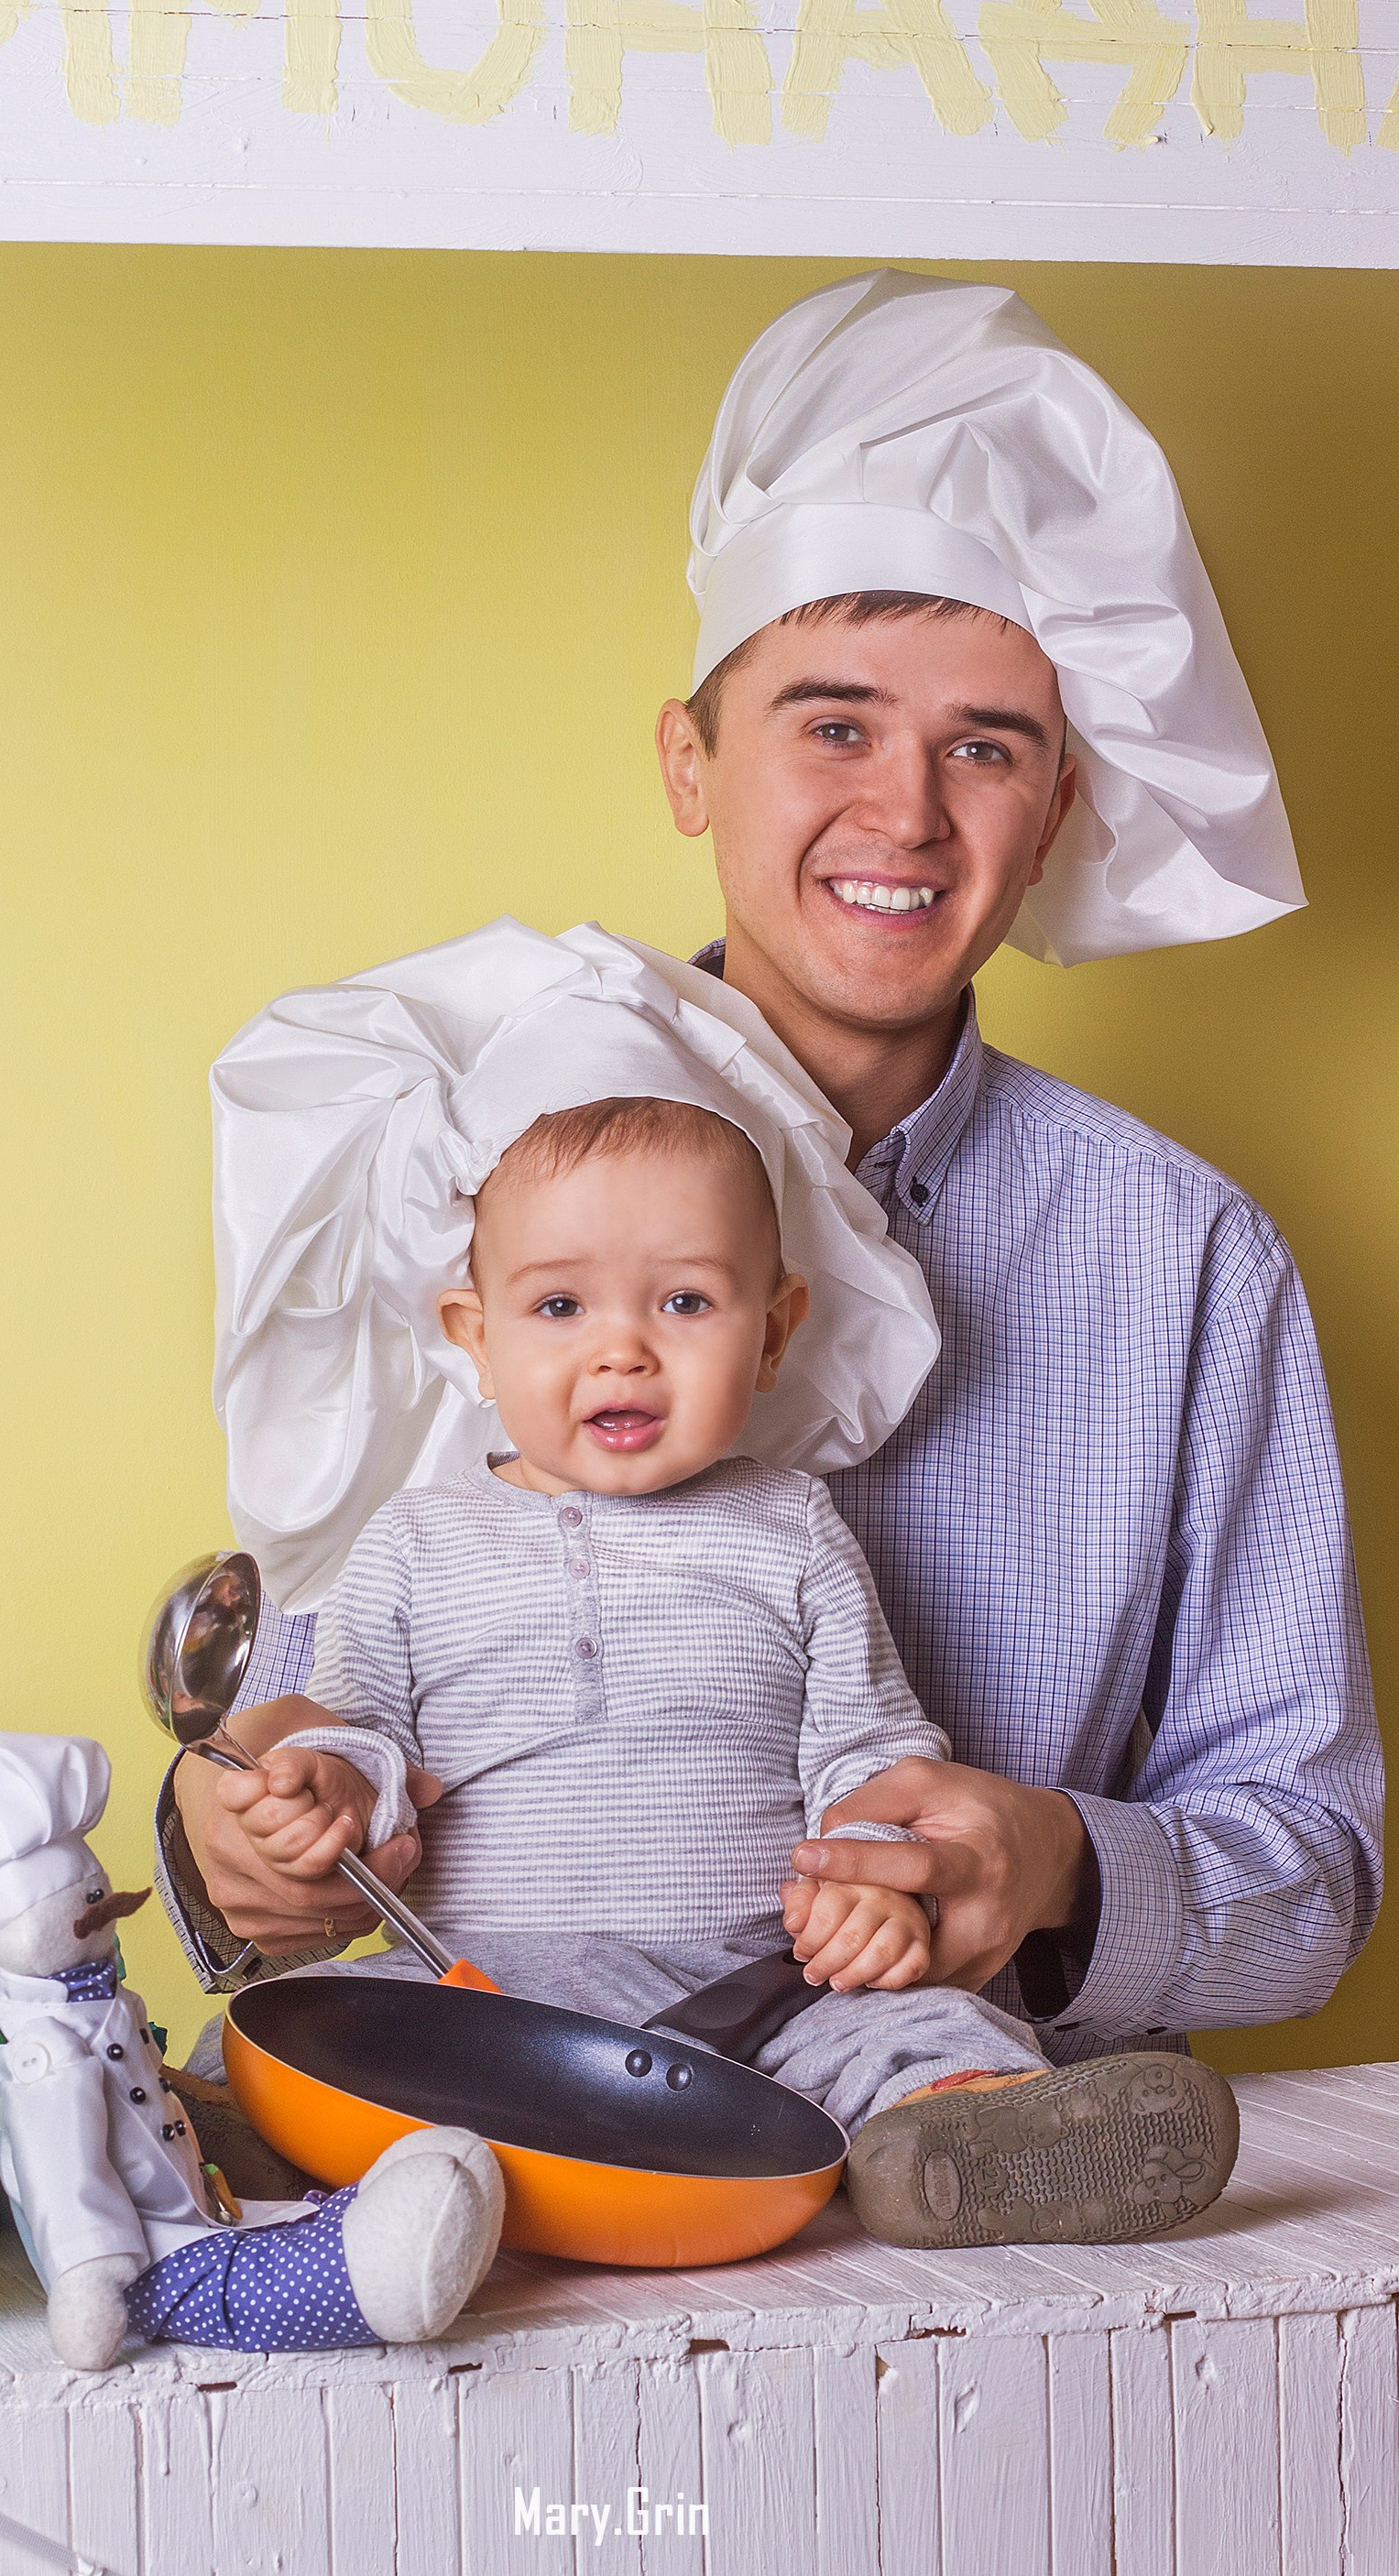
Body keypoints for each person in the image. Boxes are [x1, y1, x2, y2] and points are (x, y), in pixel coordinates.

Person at [158, 270, 1382, 2108]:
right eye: (831, 722)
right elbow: (326, 1732)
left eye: (987, 744)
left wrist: (1051, 1865)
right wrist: (241, 1833)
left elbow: (1314, 1874)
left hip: (967, 2198)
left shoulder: (1185, 1258)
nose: (905, 813)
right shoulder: (467, 1158)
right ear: (687, 761)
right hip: (522, 2134)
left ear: (1056, 811)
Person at [180, 923, 1240, 2245]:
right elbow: (359, 1730)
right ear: (474, 1336)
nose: (622, 1352)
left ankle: (969, 2135)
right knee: (289, 2038)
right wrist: (327, 1784)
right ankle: (223, 2139)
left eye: (685, 1303)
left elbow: (869, 1749)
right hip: (487, 1998)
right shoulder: (414, 1542)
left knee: (918, 2022)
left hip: (761, 1985)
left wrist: (879, 1881)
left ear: (777, 1327)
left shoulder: (790, 1531)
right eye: (560, 1309)